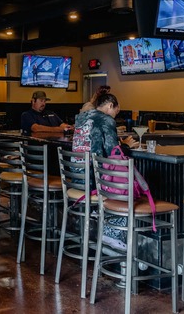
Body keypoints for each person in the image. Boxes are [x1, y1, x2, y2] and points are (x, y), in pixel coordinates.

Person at [72, 93, 138, 250]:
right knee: (126, 188)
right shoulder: (106, 119)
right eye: (116, 111)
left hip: (76, 178)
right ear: (110, 105)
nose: (116, 116)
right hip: (94, 181)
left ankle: (99, 216)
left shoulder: (81, 117)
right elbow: (112, 152)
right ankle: (111, 233)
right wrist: (127, 146)